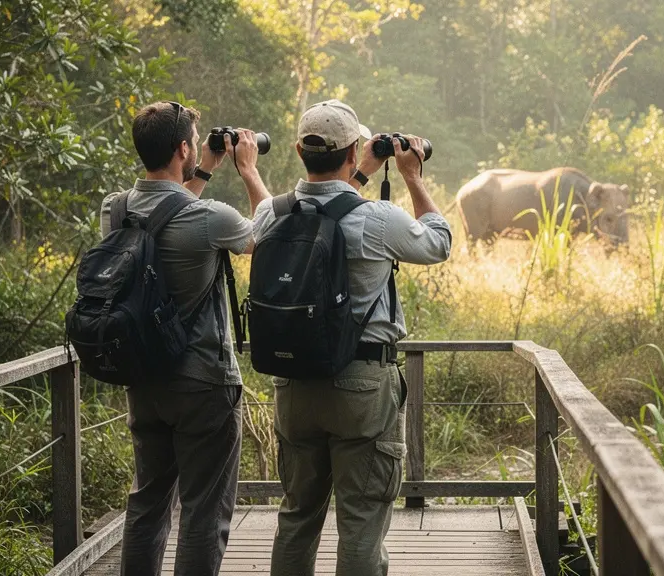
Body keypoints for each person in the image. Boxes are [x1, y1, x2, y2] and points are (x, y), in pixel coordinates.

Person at [253, 99, 452, 576]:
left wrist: (358, 172)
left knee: (297, 516)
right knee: (361, 522)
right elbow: (439, 241)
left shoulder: (269, 214)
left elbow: (321, 206)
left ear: (300, 149)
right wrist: (412, 175)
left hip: (293, 384)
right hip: (362, 385)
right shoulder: (378, 220)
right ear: (353, 151)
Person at [99, 101, 270, 576]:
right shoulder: (212, 217)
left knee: (148, 502)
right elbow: (265, 235)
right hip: (203, 384)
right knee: (202, 511)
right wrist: (248, 169)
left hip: (142, 379)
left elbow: (165, 214)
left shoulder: (115, 209)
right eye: (193, 142)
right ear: (181, 149)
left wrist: (203, 168)